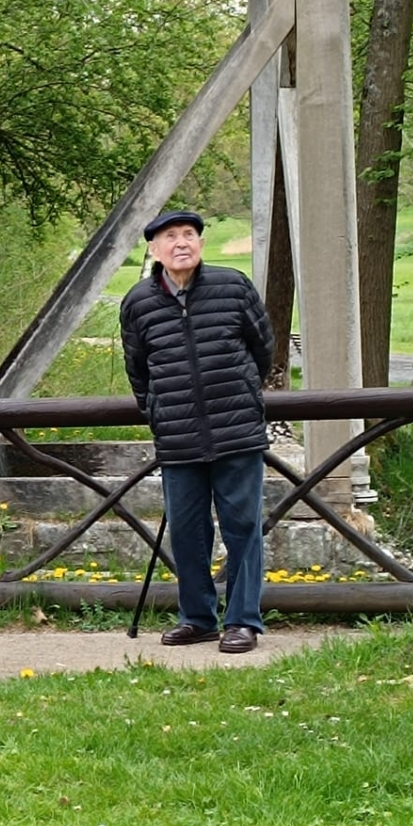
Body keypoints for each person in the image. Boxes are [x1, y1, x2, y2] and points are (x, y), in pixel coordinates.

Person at [120, 208, 274, 654]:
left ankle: (243, 621)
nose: (181, 242)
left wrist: (241, 392)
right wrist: (158, 412)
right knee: (187, 531)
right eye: (170, 236)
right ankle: (198, 618)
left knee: (242, 527)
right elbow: (138, 371)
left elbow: (262, 350)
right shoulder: (139, 302)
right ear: (154, 249)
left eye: (189, 234)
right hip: (178, 436)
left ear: (201, 244)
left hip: (237, 430)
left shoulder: (233, 286)